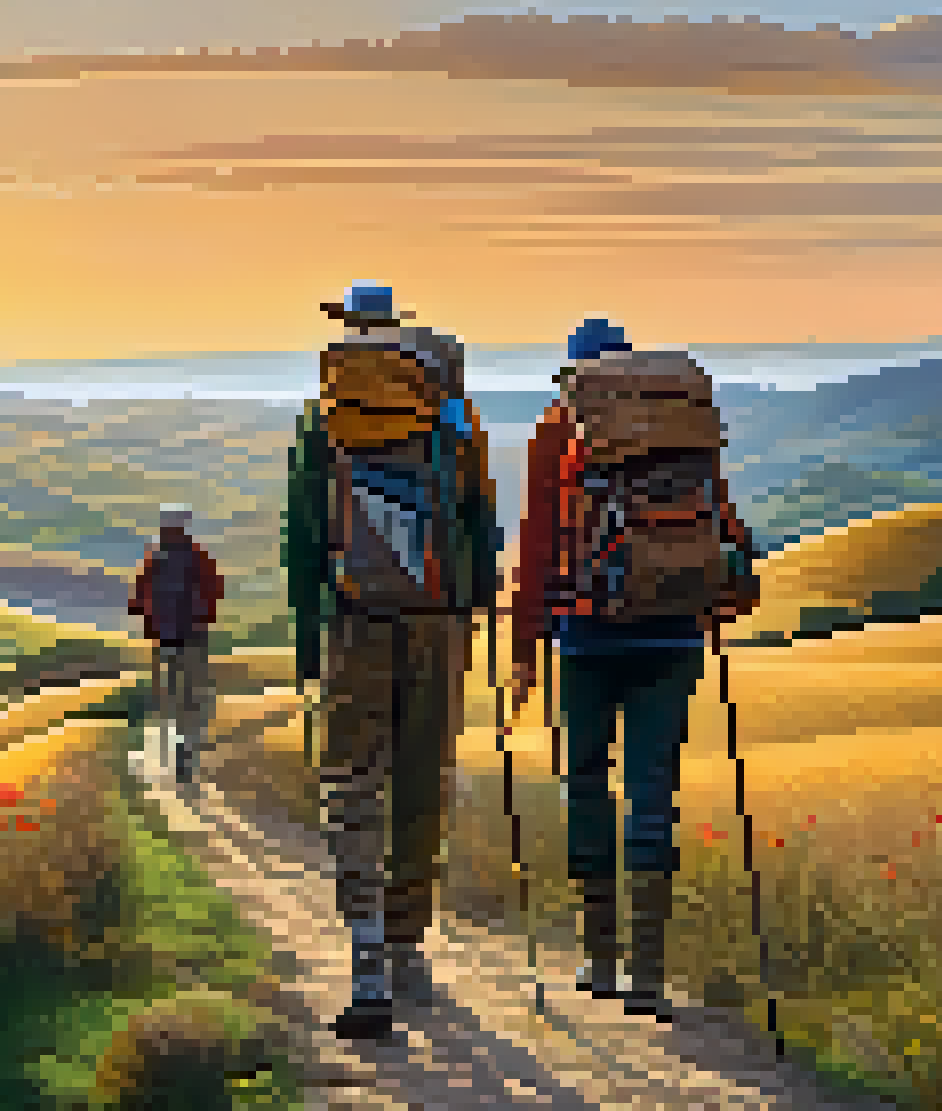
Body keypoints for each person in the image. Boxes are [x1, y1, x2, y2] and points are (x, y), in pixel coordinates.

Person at [509, 318, 760, 1022]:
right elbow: (724, 528)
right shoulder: (680, 429)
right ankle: (648, 974)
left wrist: (524, 654)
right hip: (674, 637)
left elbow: (536, 546)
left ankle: (600, 957)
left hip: (587, 636)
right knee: (654, 789)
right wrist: (717, 601)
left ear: (574, 373)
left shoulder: (558, 429)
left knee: (586, 781)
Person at [285, 281, 501, 1041]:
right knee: (421, 782)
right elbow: (480, 517)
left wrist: (312, 641)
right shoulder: (451, 410)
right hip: (436, 624)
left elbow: (303, 534)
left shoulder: (325, 415)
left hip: (355, 619)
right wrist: (473, 610)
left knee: (351, 781)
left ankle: (365, 947)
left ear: (347, 331)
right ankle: (410, 945)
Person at [129, 504, 223, 786]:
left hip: (165, 637)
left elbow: (139, 596)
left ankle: (172, 744)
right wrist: (203, 616)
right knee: (194, 696)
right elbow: (215, 590)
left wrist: (146, 615)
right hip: (194, 636)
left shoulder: (154, 558)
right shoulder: (199, 556)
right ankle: (187, 749)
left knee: (168, 695)